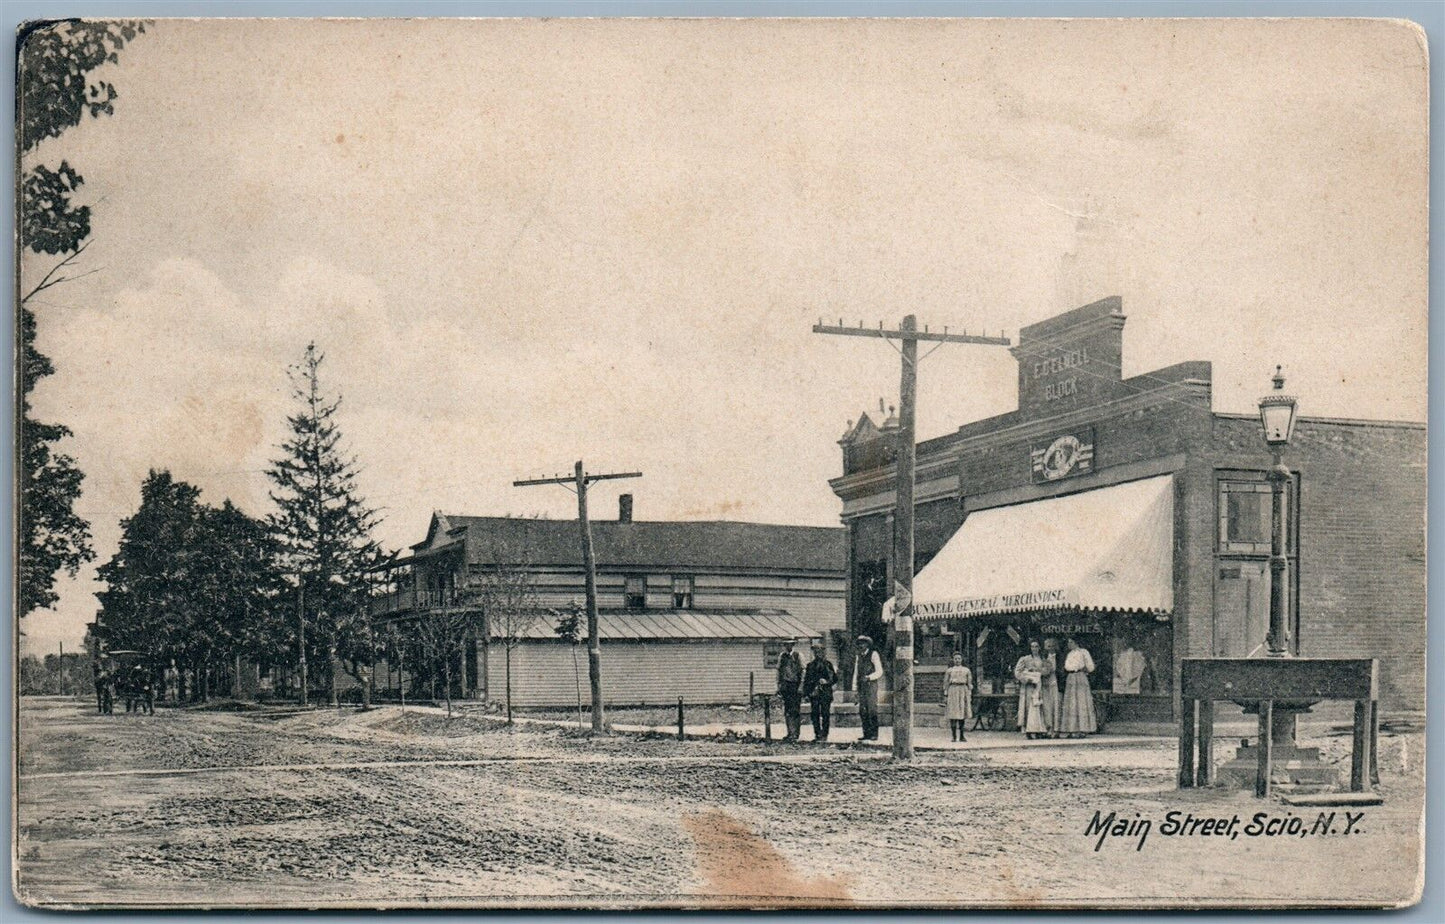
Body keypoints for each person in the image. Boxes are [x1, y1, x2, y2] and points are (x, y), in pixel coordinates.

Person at [1059, 636, 1098, 737]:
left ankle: (1083, 728)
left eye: (1071, 642)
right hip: (1071, 678)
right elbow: (1067, 666)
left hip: (1080, 677)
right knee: (1071, 702)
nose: (1069, 644)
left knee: (1081, 701)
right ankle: (1072, 728)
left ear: (1076, 642)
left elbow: (1091, 666)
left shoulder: (1083, 652)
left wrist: (1085, 670)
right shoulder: (1069, 654)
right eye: (1068, 642)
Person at [802, 641, 838, 742]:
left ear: (823, 652)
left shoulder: (828, 664)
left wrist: (826, 681)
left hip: (825, 693)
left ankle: (824, 734)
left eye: (819, 651)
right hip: (814, 693)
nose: (817, 653)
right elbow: (806, 680)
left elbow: (835, 679)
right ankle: (817, 734)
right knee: (815, 714)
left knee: (825, 714)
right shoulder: (810, 665)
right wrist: (806, 693)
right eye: (815, 651)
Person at [1013, 640, 1048, 738]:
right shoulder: (1025, 659)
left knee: (1039, 706)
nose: (1034, 649)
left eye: (1036, 646)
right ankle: (1028, 730)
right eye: (1032, 646)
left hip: (1039, 685)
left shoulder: (1042, 659)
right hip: (1029, 686)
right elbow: (1017, 672)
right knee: (1029, 707)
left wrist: (1039, 672)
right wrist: (1025, 679)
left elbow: (1046, 671)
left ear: (1039, 648)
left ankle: (1039, 730)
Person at [853, 635, 884, 741]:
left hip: (871, 686)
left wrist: (869, 677)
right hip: (861, 686)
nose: (861, 645)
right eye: (859, 643)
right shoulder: (859, 656)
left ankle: (874, 733)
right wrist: (854, 689)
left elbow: (879, 671)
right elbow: (856, 673)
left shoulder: (873, 654)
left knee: (871, 709)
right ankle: (866, 733)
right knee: (863, 710)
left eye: (863, 643)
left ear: (867, 644)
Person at [776, 638, 804, 742]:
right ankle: (790, 732)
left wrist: (801, 686)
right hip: (785, 685)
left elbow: (803, 671)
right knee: (787, 710)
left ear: (793, 645)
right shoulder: (782, 656)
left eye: (790, 644)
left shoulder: (798, 655)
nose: (788, 646)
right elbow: (778, 671)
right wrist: (778, 685)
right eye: (786, 644)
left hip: (795, 685)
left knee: (795, 709)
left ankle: (795, 733)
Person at [941, 652, 973, 742]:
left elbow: (969, 683)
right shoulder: (949, 671)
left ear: (961, 660)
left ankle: (962, 736)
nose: (957, 660)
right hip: (953, 691)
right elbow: (946, 683)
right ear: (953, 660)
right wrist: (946, 694)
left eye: (959, 658)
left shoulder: (966, 670)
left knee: (962, 713)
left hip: (963, 691)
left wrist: (969, 694)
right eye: (955, 659)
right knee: (953, 713)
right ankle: (954, 736)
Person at [1040, 638, 1062, 738]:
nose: (1050, 648)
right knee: (1047, 706)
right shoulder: (1043, 657)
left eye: (1052, 646)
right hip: (1045, 683)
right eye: (1048, 646)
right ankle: (1047, 729)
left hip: (1056, 682)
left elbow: (1062, 670)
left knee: (1056, 705)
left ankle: (1056, 729)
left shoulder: (1060, 657)